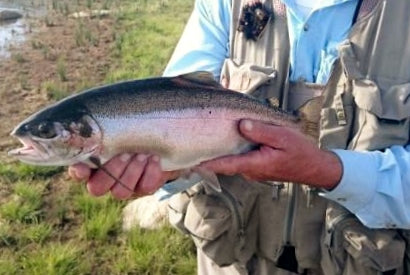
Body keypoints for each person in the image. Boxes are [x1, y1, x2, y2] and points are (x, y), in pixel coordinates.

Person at [69, 0, 410, 274]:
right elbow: (171, 109)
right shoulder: (221, 5)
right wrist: (168, 167)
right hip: (230, 263)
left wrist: (327, 170)